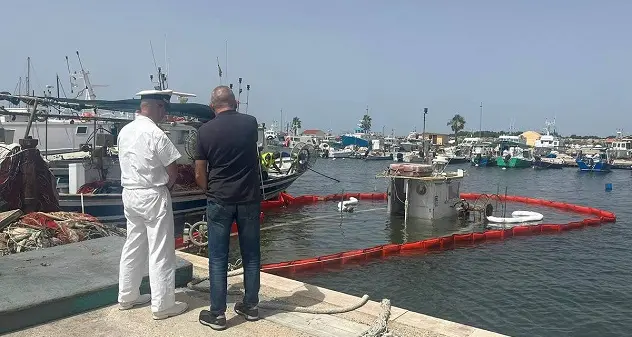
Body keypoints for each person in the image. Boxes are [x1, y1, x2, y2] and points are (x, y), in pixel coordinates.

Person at [116, 89, 188, 320]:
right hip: (152, 194)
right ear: (156, 106)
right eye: (164, 108)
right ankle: (163, 305)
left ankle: (127, 296)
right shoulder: (155, 133)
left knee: (133, 245)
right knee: (161, 250)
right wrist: (168, 186)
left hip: (129, 193)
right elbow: (172, 167)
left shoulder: (125, 131)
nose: (165, 113)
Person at [194, 86, 262, 331]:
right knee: (251, 254)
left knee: (218, 257)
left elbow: (200, 171)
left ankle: (217, 314)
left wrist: (207, 190)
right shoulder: (250, 123)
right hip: (249, 197)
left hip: (219, 198)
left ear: (212, 106)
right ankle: (251, 306)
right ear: (236, 102)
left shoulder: (204, 131)